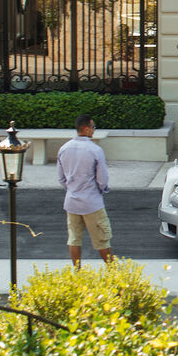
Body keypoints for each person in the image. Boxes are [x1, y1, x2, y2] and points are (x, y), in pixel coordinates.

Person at [57, 114, 113, 266]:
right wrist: (101, 190)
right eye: (93, 127)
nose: (94, 130)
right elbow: (102, 180)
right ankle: (114, 272)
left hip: (72, 202)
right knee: (102, 239)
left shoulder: (64, 149)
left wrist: (72, 189)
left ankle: (77, 272)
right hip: (92, 202)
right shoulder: (95, 150)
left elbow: (61, 178)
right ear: (85, 128)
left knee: (74, 238)